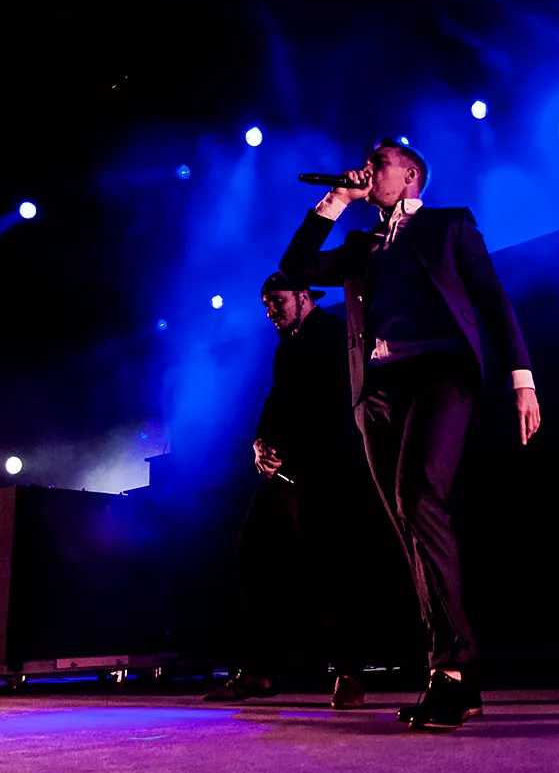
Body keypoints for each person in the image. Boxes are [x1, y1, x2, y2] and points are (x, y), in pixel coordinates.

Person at [279, 138, 541, 729]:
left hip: (441, 373)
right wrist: (334, 201)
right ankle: (453, 680)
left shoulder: (449, 226)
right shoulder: (362, 245)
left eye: (380, 163)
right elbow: (294, 270)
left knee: (421, 497)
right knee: (409, 523)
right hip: (378, 392)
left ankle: (455, 667)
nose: (368, 170)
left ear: (411, 175)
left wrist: (521, 377)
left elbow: (492, 297)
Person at [204, 272, 381, 708]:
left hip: (326, 472)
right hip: (285, 476)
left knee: (332, 569)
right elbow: (275, 401)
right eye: (266, 304)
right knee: (252, 554)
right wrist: (260, 444)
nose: (271, 311)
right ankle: (259, 671)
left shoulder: (335, 334)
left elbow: (340, 405)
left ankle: (350, 674)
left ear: (304, 296)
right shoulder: (286, 348)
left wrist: (296, 449)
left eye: (277, 301)